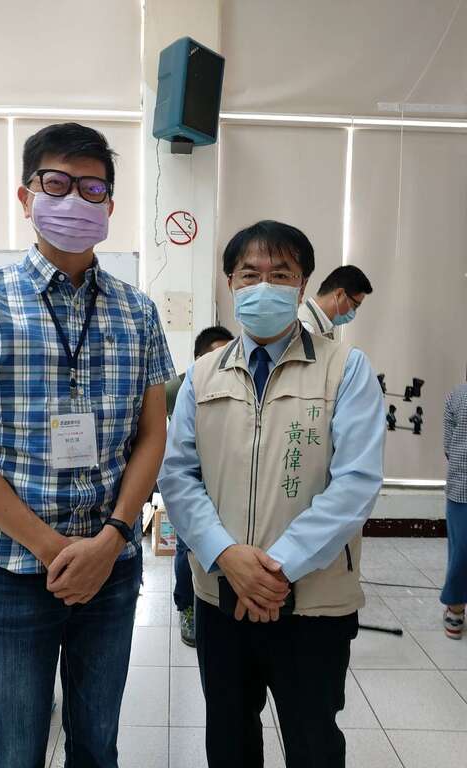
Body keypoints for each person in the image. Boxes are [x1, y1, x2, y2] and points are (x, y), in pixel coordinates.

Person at [0, 122, 175, 768]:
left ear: (110, 205)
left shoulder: (138, 312)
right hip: (11, 569)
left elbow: (153, 435)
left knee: (97, 745)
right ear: (25, 195)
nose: (75, 200)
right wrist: (54, 549)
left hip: (112, 569)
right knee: (14, 750)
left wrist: (111, 540)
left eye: (92, 189)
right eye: (56, 184)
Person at [158, 220, 384, 768]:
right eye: (249, 274)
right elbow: (178, 476)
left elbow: (356, 482)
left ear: (302, 285)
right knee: (229, 737)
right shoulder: (201, 376)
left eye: (280, 274)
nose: (264, 285)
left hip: (313, 601)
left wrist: (276, 568)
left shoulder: (345, 369)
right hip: (221, 596)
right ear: (231, 284)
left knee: (312, 741)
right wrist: (226, 556)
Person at [167, 325, 234, 646]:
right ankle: (187, 607)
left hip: (226, 483)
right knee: (186, 549)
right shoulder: (178, 387)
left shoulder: (240, 383)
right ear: (198, 359)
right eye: (216, 355)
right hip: (190, 483)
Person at [441, 382, 467, 639]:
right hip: (462, 489)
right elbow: (449, 446)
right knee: (462, 551)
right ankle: (456, 607)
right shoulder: (457, 396)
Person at [298, 264, 373, 339]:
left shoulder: (323, 325)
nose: (353, 312)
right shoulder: (307, 328)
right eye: (355, 306)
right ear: (339, 294)